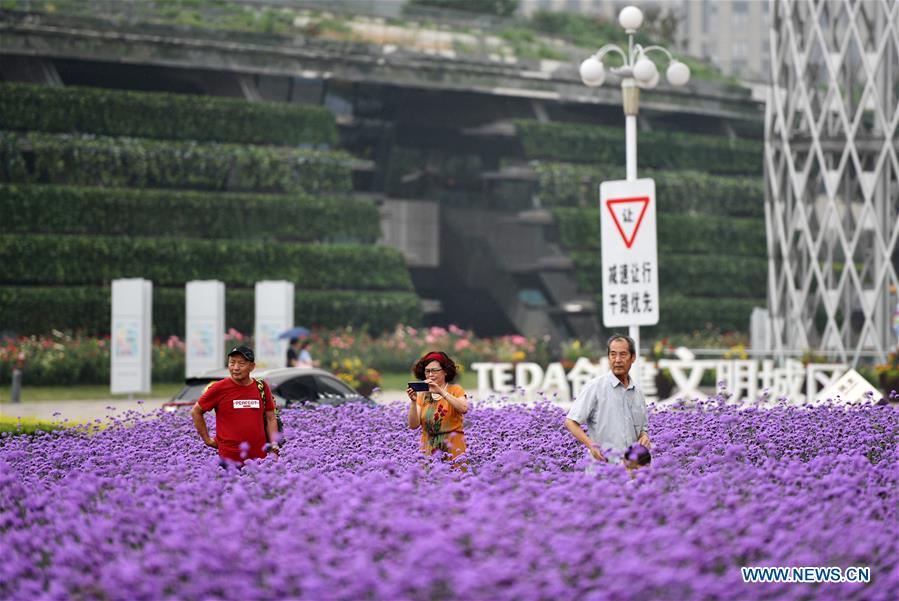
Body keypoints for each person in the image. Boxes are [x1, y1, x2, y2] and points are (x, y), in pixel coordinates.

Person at [564, 334, 650, 467]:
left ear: (633, 357)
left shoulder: (638, 393)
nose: (617, 360)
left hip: (631, 471)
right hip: (603, 471)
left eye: (623, 354)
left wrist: (644, 437)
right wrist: (591, 445)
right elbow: (571, 421)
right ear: (608, 357)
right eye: (613, 355)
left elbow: (642, 429)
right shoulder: (595, 387)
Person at [191, 345, 279, 466]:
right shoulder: (218, 388)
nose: (236, 368)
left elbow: (271, 417)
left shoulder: (261, 387)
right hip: (230, 460)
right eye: (232, 363)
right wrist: (207, 440)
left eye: (241, 364)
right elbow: (196, 411)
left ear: (252, 366)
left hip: (259, 459)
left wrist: (274, 446)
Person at [406, 351, 468, 461]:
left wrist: (440, 391)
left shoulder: (456, 390)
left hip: (454, 448)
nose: (430, 374)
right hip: (429, 449)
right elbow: (413, 425)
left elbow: (463, 408)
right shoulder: (423, 396)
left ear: (445, 371)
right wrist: (413, 402)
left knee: (456, 477)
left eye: (434, 370)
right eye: (427, 371)